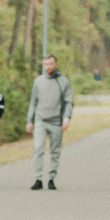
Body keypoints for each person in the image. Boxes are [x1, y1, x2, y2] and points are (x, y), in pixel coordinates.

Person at [27, 54, 73, 191]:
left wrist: (66, 118)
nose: (49, 67)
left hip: (56, 122)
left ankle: (52, 178)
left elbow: (69, 101)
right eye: (46, 64)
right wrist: (29, 120)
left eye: (51, 64)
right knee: (38, 149)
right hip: (41, 120)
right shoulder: (38, 81)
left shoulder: (63, 81)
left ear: (56, 64)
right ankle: (38, 178)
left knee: (55, 151)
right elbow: (33, 102)